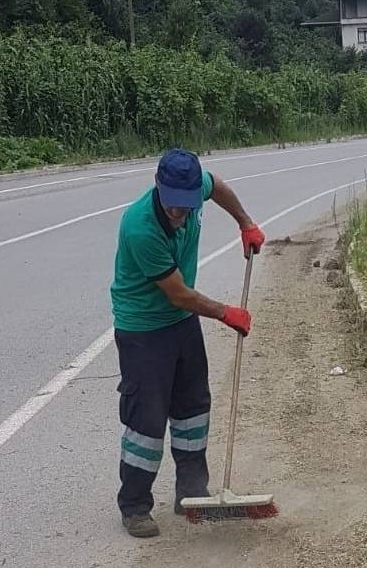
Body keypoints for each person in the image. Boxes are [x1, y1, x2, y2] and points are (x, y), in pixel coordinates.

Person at [109, 148, 265, 538]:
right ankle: (134, 506)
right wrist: (226, 313)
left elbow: (219, 187)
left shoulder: (198, 189)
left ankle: (192, 492)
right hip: (143, 329)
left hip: (181, 324)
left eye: (187, 206)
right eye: (173, 206)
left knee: (193, 407)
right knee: (146, 420)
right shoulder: (140, 226)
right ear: (158, 188)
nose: (179, 213)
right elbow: (178, 294)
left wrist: (245, 222)